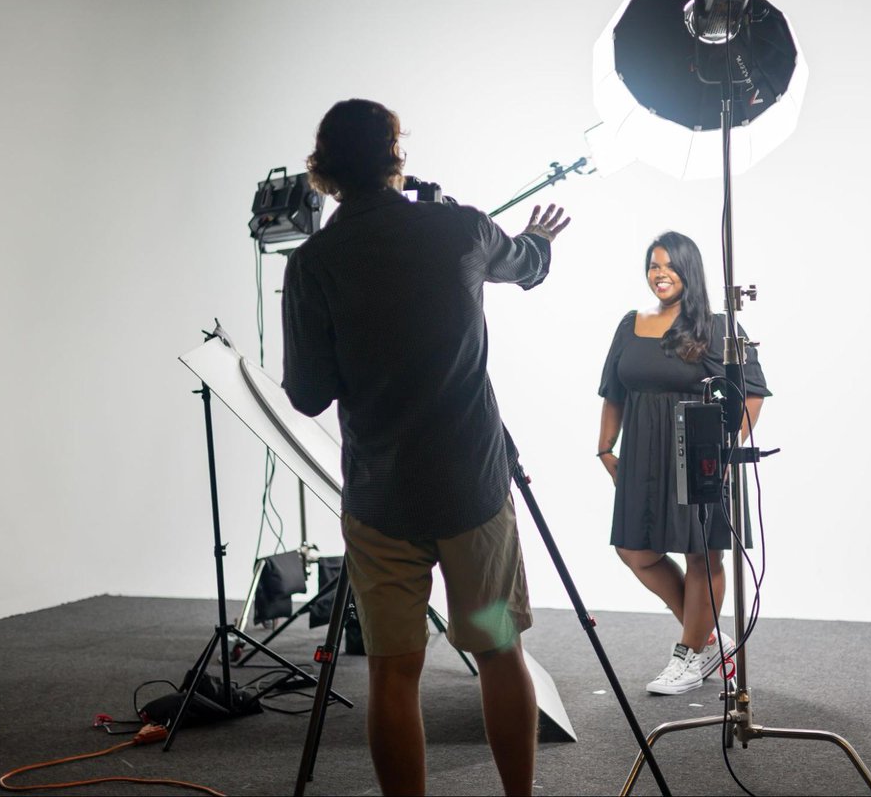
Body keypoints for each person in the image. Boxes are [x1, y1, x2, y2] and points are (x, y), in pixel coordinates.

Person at [281, 98, 571, 797]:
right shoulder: (460, 227)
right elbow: (526, 264)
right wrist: (538, 238)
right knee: (498, 650)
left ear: (324, 169)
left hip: (381, 503)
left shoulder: (313, 264)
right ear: (396, 156)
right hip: (474, 496)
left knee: (392, 671)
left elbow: (308, 395)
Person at [597, 231, 770, 695]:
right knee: (635, 550)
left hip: (697, 452)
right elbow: (613, 392)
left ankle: (689, 653)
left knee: (702, 553)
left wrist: (728, 447)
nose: (660, 274)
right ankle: (708, 639)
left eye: (670, 266)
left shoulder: (715, 326)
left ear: (688, 270)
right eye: (654, 265)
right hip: (641, 454)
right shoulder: (631, 324)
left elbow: (753, 393)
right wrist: (605, 448)